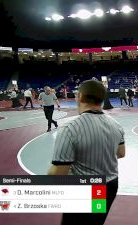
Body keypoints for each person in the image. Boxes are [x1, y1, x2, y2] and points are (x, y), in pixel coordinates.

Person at [48, 80, 126, 225]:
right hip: (110, 186)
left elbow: (59, 172)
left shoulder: (70, 128)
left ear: (81, 96)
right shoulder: (116, 125)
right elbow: (121, 153)